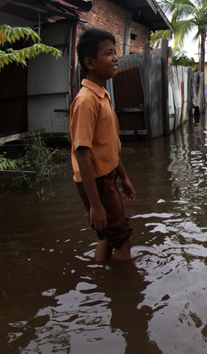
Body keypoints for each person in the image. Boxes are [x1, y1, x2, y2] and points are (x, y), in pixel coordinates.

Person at [70, 28, 135, 262]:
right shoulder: (86, 101)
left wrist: (123, 178)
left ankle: (101, 281)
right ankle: (123, 292)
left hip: (106, 179)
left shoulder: (101, 95)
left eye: (115, 52)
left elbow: (109, 147)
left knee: (108, 235)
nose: (116, 57)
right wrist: (95, 205)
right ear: (90, 62)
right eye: (109, 53)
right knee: (123, 239)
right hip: (97, 183)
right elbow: (82, 155)